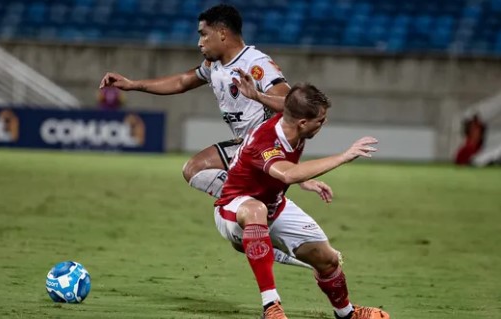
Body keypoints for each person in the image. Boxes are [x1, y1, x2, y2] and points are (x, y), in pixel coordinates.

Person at [99, 4, 309, 269]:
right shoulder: (214, 65)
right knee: (232, 228)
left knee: (196, 168)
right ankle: (257, 214)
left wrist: (257, 95)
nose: (199, 43)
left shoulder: (255, 64)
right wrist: (133, 84)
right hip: (245, 146)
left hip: (267, 148)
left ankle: (256, 207)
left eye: (203, 34)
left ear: (222, 33)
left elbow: (291, 103)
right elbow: (182, 82)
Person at [214, 82, 390, 319]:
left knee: (327, 260)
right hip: (234, 209)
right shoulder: (265, 140)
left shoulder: (291, 121)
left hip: (274, 206)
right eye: (320, 120)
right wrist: (344, 156)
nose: (323, 123)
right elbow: (286, 173)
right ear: (303, 123)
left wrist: (257, 95)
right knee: (257, 209)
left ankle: (346, 314)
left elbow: (284, 107)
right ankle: (271, 307)